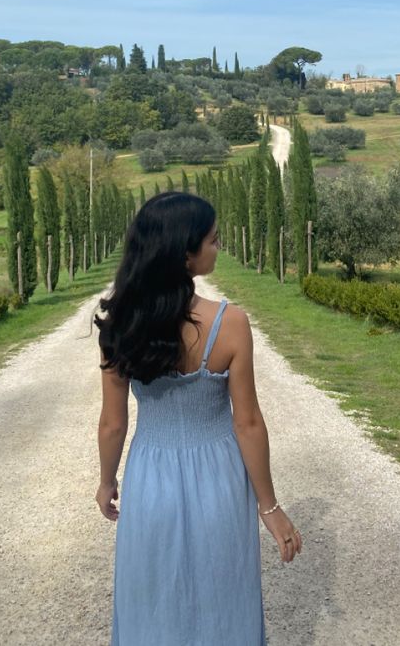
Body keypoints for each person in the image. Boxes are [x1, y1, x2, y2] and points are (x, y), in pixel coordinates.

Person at [95, 191, 301, 645]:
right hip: (220, 478)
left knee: (151, 595)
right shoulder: (230, 323)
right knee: (224, 593)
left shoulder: (120, 324)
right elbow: (247, 423)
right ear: (185, 254)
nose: (219, 247)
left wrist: (107, 481)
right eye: (212, 240)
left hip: (150, 476)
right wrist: (269, 506)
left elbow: (113, 424)